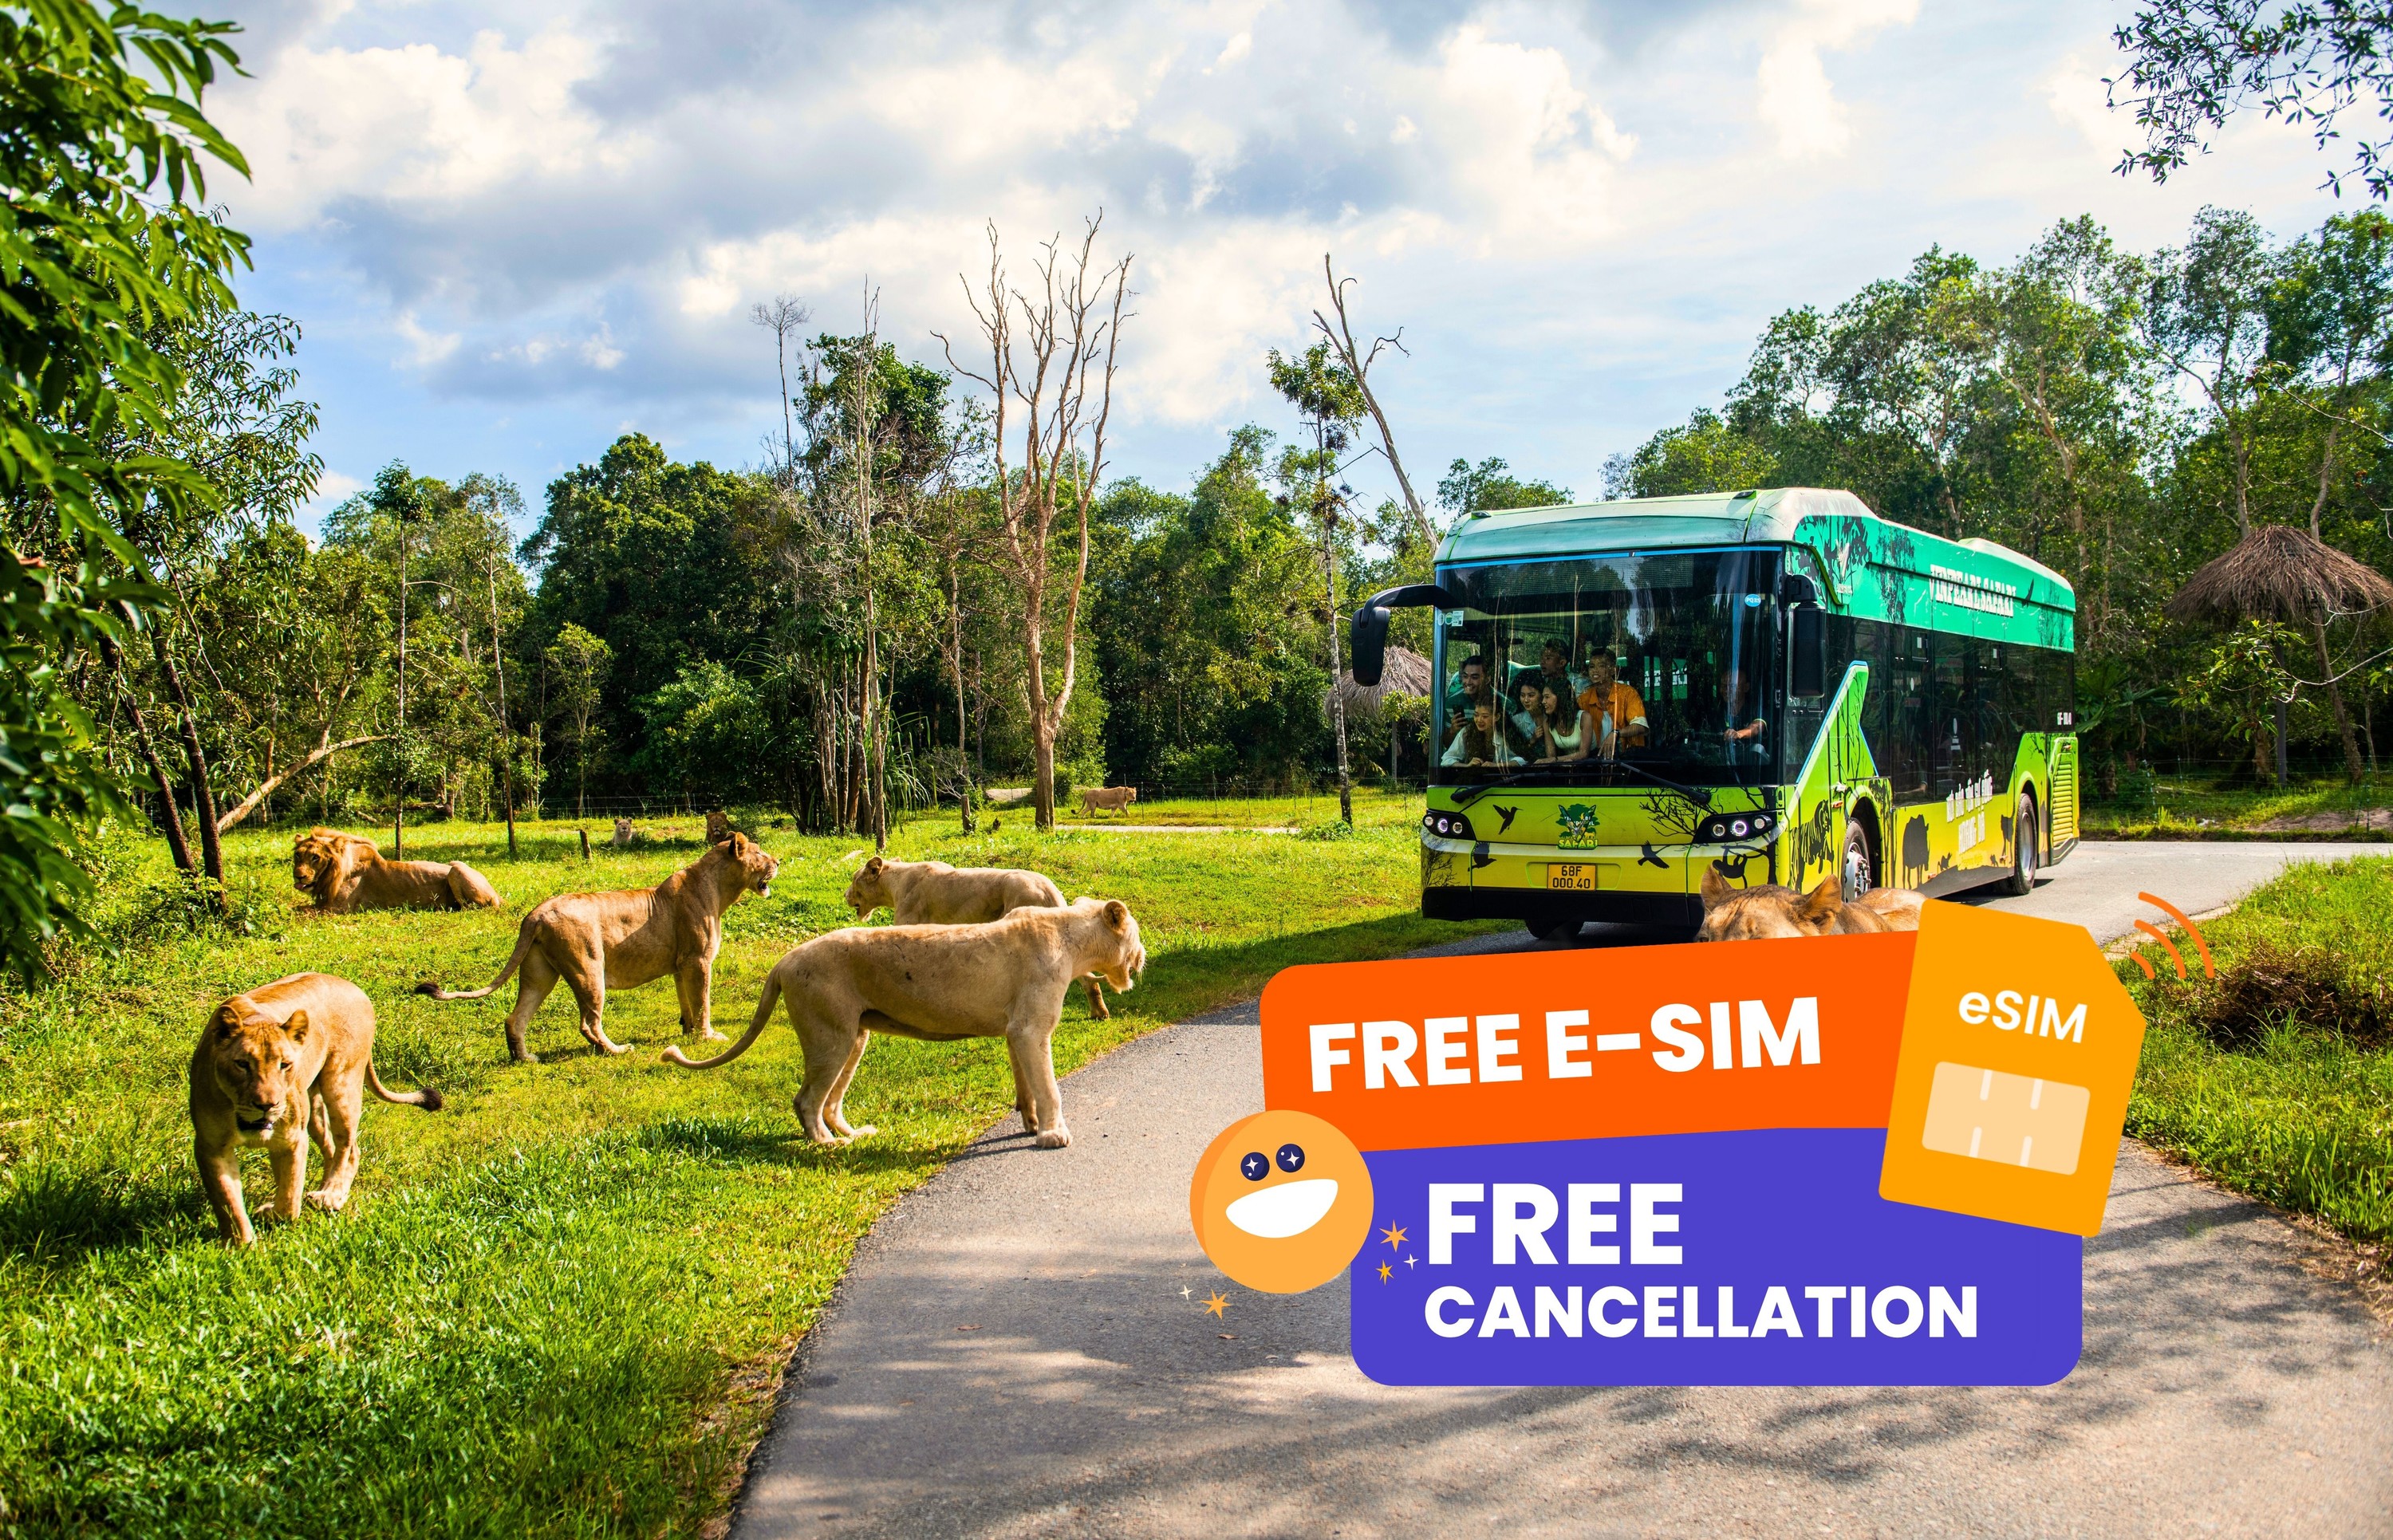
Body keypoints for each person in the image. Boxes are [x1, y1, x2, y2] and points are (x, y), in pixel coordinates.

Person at [1577, 653, 1648, 756]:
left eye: (1601, 666)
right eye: (1592, 666)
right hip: (1594, 763)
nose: (1595, 670)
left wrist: (1616, 733)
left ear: (1613, 670)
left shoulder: (1628, 693)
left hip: (1627, 762)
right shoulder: (1584, 699)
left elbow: (1641, 726)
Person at [1538, 683, 1597, 763]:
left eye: (1547, 697)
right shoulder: (1548, 723)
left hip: (1589, 765)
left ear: (1561, 697)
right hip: (1565, 766)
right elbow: (1550, 756)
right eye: (1543, 698)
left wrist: (1557, 760)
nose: (1543, 701)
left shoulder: (1584, 717)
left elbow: (1583, 754)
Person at [1441, 702, 1506, 766]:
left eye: (1485, 716)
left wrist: (1497, 765)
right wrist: (1467, 766)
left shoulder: (1504, 733)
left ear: (1497, 717)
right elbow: (1447, 759)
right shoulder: (1467, 732)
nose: (1479, 720)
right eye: (1476, 715)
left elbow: (1515, 759)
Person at [1719, 667, 1766, 754]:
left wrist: (1738, 734)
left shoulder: (1756, 709)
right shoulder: (1718, 711)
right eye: (1723, 686)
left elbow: (1757, 727)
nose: (1726, 690)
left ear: (1746, 687)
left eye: (1732, 686)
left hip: (1749, 762)